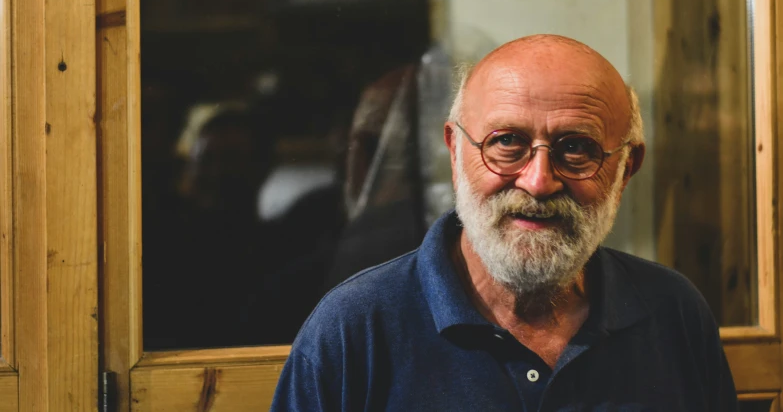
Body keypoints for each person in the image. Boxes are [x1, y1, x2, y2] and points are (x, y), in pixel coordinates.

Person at [270, 35, 738, 411]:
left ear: (626, 169)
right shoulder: (355, 331)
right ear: (456, 153)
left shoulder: (672, 313)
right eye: (507, 141)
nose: (538, 182)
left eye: (576, 148)